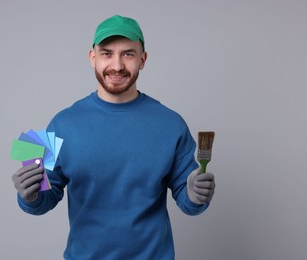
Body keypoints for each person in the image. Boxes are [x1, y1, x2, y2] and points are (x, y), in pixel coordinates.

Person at [12, 15, 216, 260]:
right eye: (107, 53)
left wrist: (194, 195)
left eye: (128, 54)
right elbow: (42, 201)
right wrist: (29, 195)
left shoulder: (171, 124)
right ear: (92, 58)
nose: (117, 66)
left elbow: (189, 200)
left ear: (143, 59)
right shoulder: (61, 123)